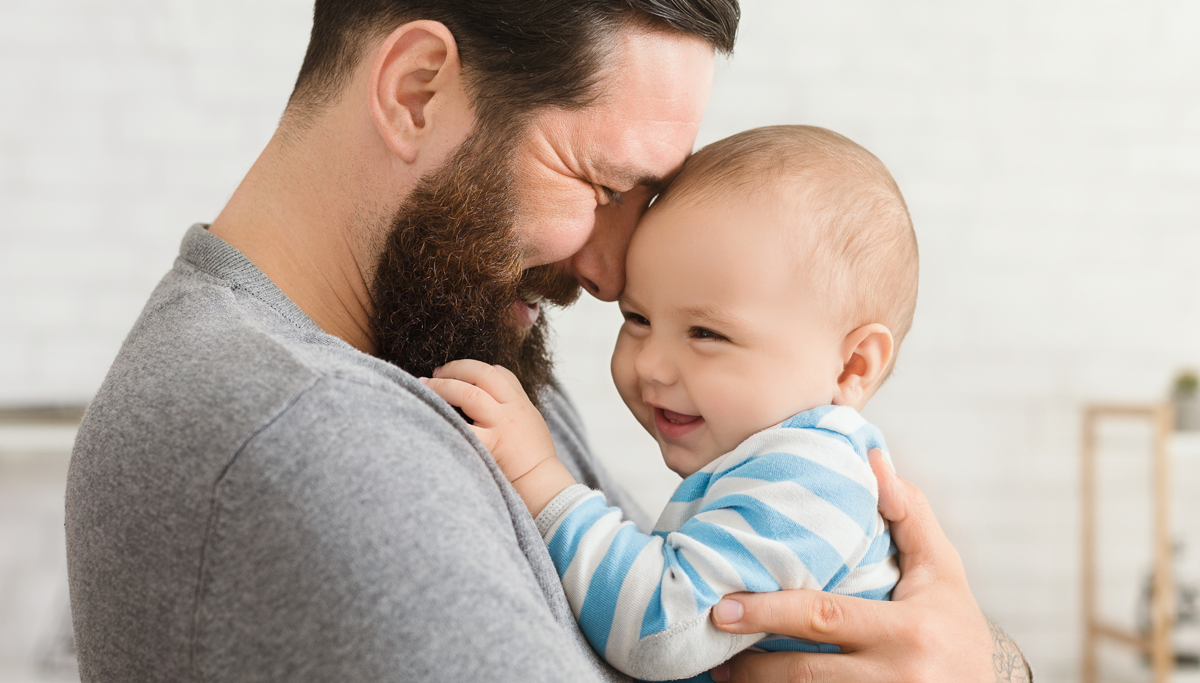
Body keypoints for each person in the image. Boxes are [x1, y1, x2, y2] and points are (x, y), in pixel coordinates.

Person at [64, 2, 1031, 682]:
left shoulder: (452, 339)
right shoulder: (304, 431)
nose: (612, 275)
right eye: (602, 187)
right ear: (415, 91)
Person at [424, 125, 912, 681]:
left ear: (852, 367)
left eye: (706, 333)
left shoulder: (815, 481)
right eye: (637, 319)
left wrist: (541, 479)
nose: (651, 364)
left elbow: (660, 629)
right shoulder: (776, 470)